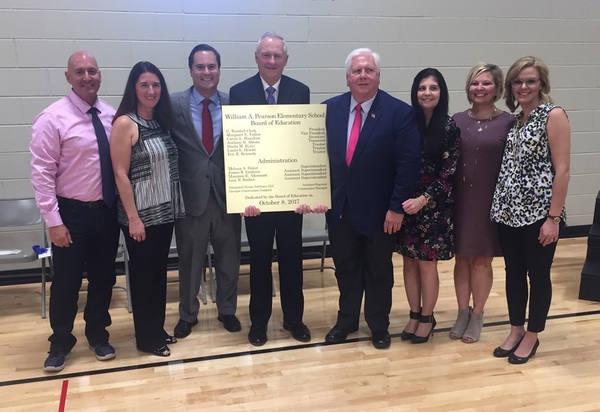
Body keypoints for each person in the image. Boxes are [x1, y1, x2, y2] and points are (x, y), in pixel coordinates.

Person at [323, 48, 421, 349]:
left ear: (378, 76)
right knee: (346, 269)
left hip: (382, 214)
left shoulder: (399, 112)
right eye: (357, 71)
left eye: (369, 71)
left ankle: (378, 325)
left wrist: (396, 209)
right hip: (340, 209)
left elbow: (407, 166)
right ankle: (347, 321)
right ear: (347, 77)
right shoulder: (329, 109)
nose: (362, 76)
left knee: (379, 271)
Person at [30, 51, 120, 372]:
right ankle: (61, 342)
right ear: (68, 77)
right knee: (66, 281)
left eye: (92, 71)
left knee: (103, 278)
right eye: (79, 72)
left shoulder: (111, 116)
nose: (87, 77)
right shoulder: (52, 118)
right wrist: (54, 222)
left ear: (100, 74)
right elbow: (41, 174)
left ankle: (98, 334)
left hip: (106, 213)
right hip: (70, 214)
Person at [229, 32, 318, 346]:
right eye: (265, 55)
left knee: (293, 259)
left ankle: (294, 319)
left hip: (291, 198)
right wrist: (242, 195)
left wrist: (308, 191)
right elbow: (237, 148)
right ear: (256, 58)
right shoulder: (238, 93)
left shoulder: (300, 91)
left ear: (285, 59)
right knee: (259, 262)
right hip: (257, 199)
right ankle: (259, 323)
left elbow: (302, 145)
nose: (271, 61)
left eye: (277, 55)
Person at [491, 56, 570, 364]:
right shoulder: (516, 120)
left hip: (539, 215)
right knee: (513, 274)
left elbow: (562, 171)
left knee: (538, 275)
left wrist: (553, 218)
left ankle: (533, 335)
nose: (524, 86)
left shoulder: (553, 114)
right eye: (518, 81)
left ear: (541, 84)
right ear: (511, 86)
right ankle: (515, 329)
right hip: (508, 214)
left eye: (530, 81)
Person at [110, 61, 184, 357]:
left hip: (164, 213)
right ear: (133, 89)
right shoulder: (125, 124)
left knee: (158, 273)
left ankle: (156, 328)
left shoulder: (161, 122)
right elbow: (119, 174)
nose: (151, 90)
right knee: (143, 277)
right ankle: (146, 337)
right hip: (139, 216)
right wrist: (133, 218)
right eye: (144, 85)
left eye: (156, 85)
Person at [170, 44, 242, 339]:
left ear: (219, 70)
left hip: (229, 194)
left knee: (229, 259)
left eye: (211, 66)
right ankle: (187, 314)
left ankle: (227, 310)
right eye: (200, 67)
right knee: (190, 260)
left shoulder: (234, 104)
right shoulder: (173, 104)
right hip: (190, 198)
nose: (206, 72)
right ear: (191, 70)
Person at [450, 63, 515, 343]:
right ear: (468, 87)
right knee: (462, 258)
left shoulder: (509, 122)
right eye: (475, 83)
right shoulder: (456, 120)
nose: (480, 88)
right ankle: (462, 311)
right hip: (460, 200)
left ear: (498, 88)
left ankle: (478, 314)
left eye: (486, 83)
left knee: (481, 261)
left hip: (490, 202)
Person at [396, 68, 461, 344]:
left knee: (426, 265)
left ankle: (427, 316)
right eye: (422, 88)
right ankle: (414, 313)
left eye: (433, 88)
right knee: (409, 262)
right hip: (406, 206)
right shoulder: (407, 123)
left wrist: (423, 200)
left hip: (432, 209)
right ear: (415, 92)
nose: (427, 93)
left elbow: (449, 174)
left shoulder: (449, 126)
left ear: (441, 93)